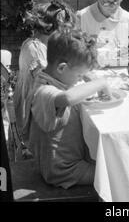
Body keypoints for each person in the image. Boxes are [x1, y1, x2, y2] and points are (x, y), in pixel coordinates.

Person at [27, 28, 111, 188]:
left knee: (111, 161)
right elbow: (68, 98)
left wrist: (84, 74)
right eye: (79, 76)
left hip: (69, 160)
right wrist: (100, 83)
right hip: (63, 170)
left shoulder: (51, 76)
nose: (80, 79)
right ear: (61, 68)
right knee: (115, 175)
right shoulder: (43, 91)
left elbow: (69, 84)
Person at [13, 1, 75, 140]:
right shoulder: (35, 49)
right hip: (34, 120)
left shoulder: (41, 44)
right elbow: (52, 83)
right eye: (65, 30)